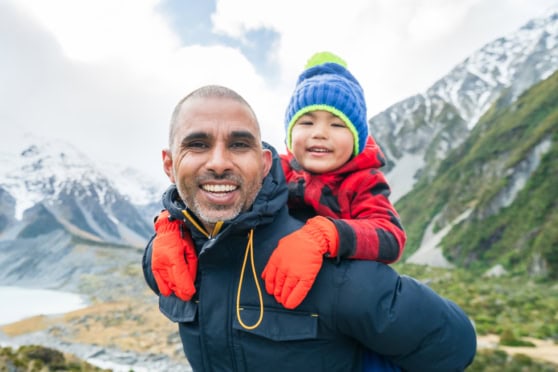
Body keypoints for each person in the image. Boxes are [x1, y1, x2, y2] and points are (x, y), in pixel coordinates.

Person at [142, 84, 477, 371]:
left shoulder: (337, 277)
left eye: (240, 144)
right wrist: (166, 227)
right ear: (169, 165)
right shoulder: (173, 254)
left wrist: (326, 236)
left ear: (264, 164)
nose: (218, 162)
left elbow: (455, 345)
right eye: (197, 144)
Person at [151, 51, 407, 310]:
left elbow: (390, 236)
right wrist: (169, 226)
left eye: (338, 126)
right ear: (289, 135)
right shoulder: (277, 170)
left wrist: (324, 235)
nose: (319, 134)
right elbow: (217, 196)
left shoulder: (363, 180)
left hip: (346, 302)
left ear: (357, 140)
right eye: (306, 122)